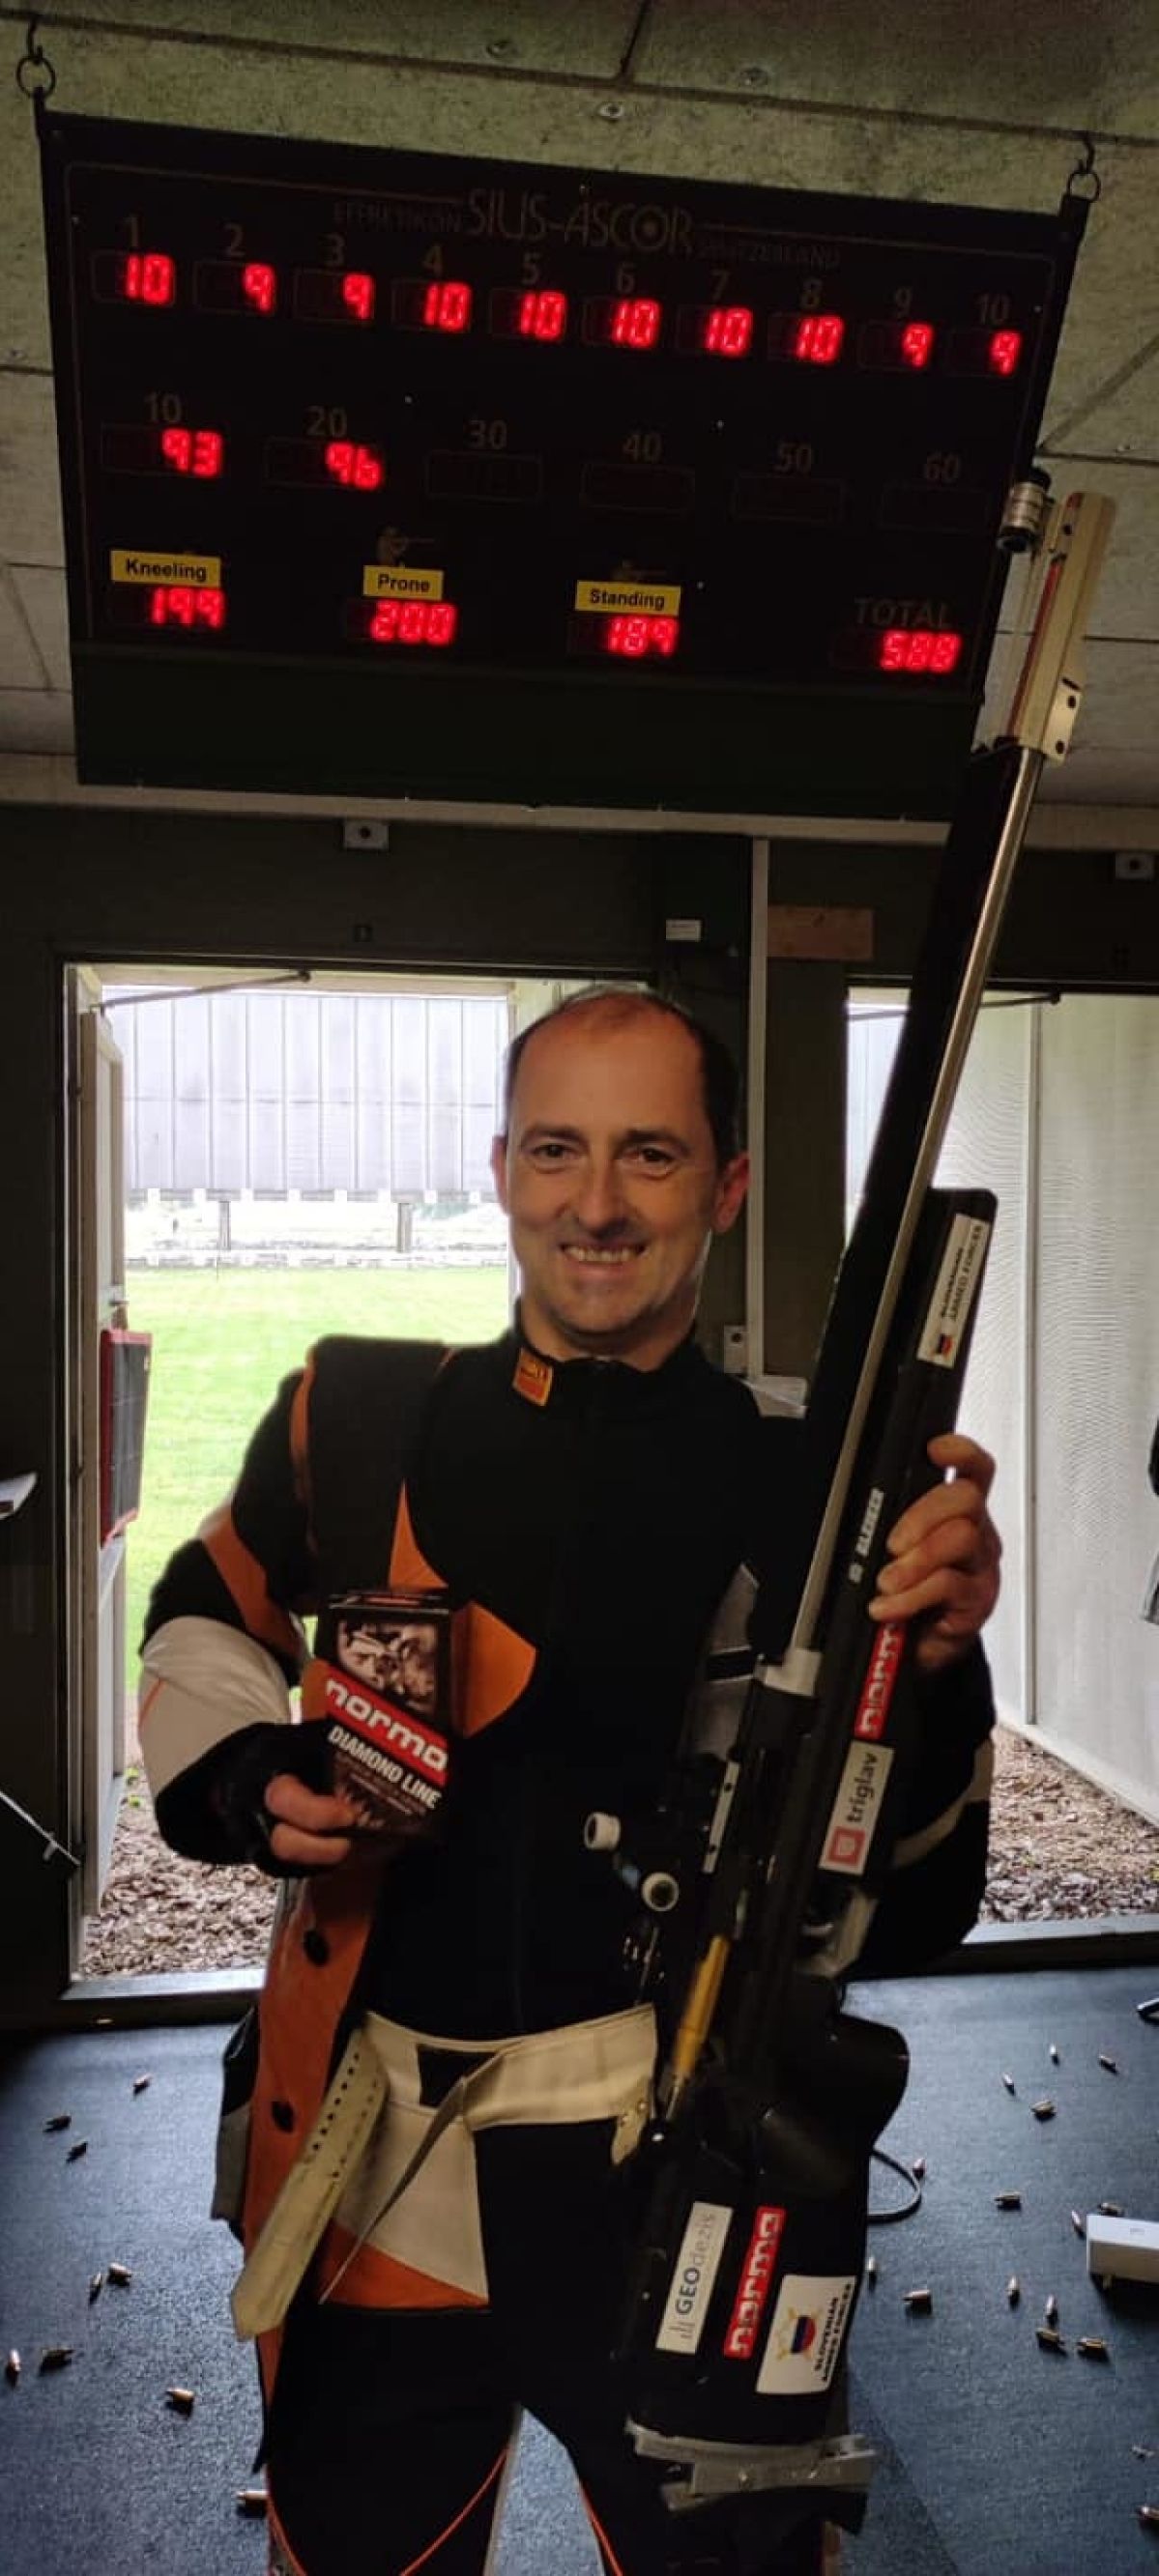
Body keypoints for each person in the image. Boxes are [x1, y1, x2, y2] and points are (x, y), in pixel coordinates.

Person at [137, 987, 1001, 2576]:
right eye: (556, 1149)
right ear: (501, 1168)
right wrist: (251, 1774)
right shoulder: (357, 1418)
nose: (596, 1203)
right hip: (379, 2168)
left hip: (685, 2172)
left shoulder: (813, 1490)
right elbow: (203, 1612)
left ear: (725, 1186)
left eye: (649, 1155)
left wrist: (935, 1668)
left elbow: (925, 1898)